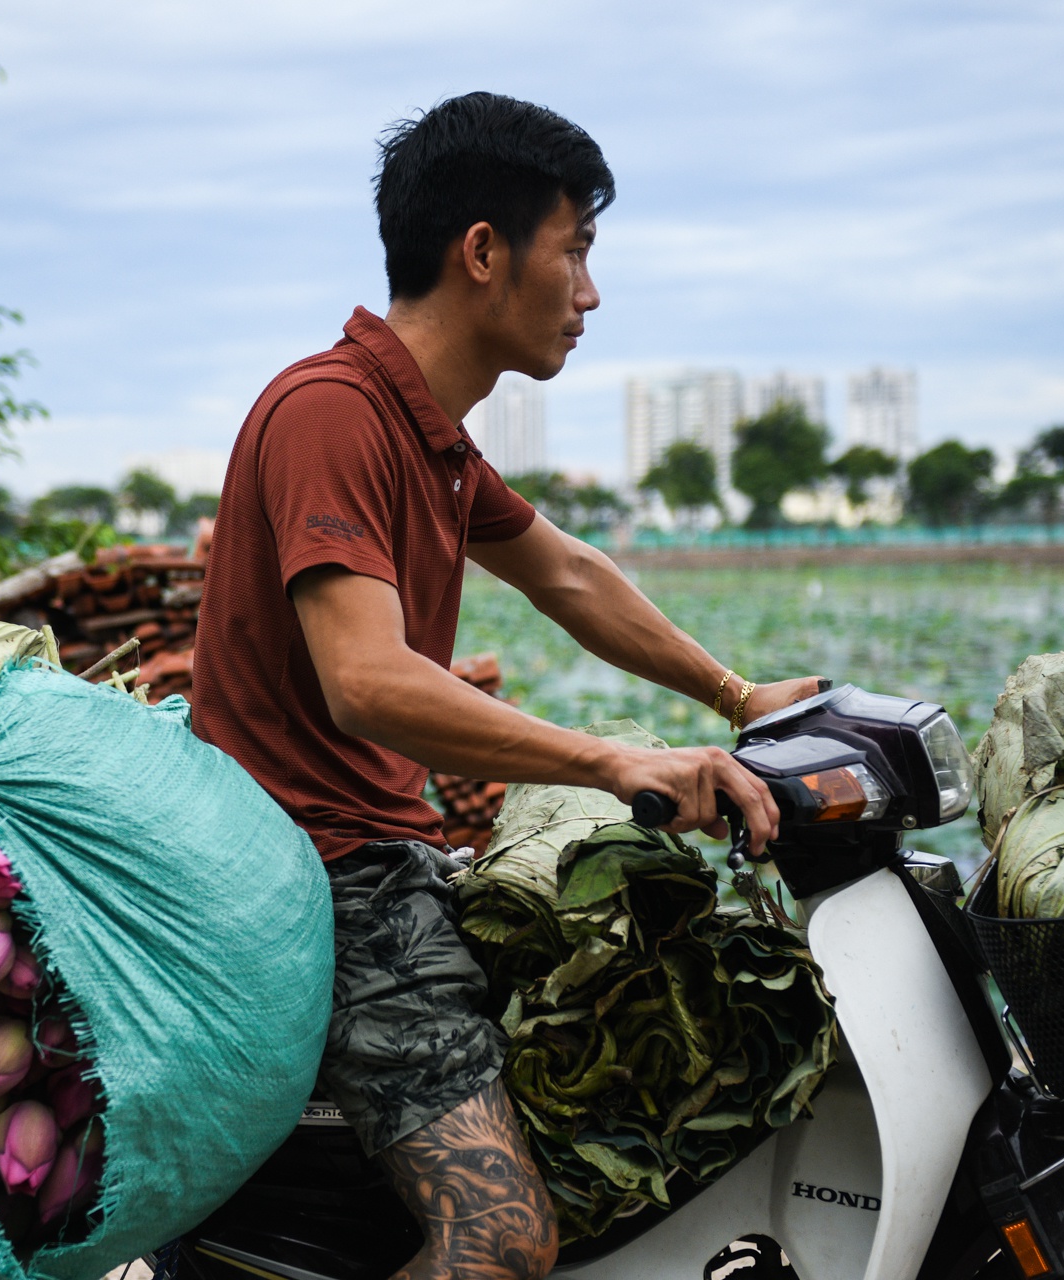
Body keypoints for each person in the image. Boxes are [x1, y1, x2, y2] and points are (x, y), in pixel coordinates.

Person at [192, 91, 826, 1280]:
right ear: (483, 253)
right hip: (327, 878)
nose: (591, 293)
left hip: (384, 856)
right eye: (575, 250)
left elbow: (570, 575)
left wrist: (740, 697)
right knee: (500, 1235)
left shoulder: (427, 434)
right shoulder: (331, 413)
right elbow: (367, 681)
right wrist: (612, 758)